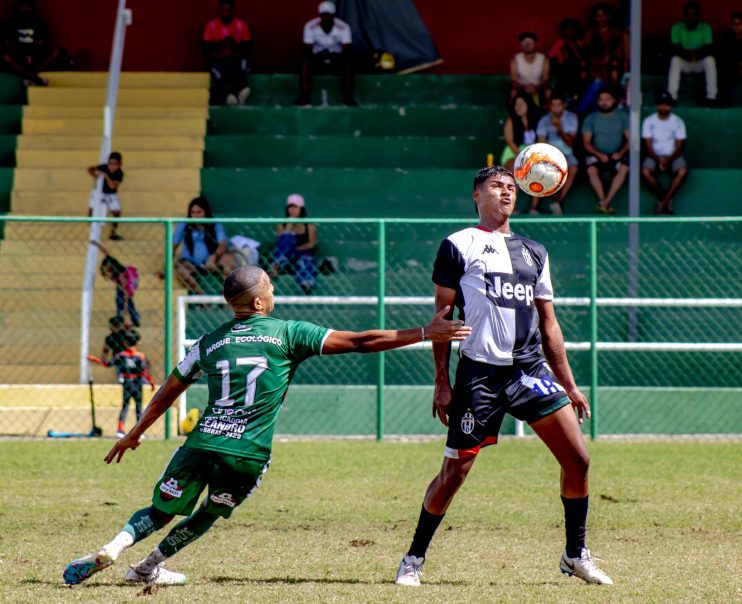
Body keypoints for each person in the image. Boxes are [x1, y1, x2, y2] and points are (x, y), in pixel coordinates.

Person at [62, 265, 471, 587]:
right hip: (248, 453)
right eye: (270, 287)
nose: (274, 291)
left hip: (201, 443)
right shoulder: (288, 333)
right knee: (209, 512)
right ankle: (150, 567)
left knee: (161, 509)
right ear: (258, 303)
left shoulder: (207, 342)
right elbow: (361, 341)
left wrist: (135, 433)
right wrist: (423, 331)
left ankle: (116, 546)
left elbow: (169, 389)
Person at [394, 165, 613, 588]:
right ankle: (413, 559)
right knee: (454, 474)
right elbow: (441, 319)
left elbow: (549, 323)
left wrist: (568, 383)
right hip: (479, 376)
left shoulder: (535, 251)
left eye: (511, 187)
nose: (505, 193)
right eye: (496, 187)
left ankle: (575, 554)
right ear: (477, 196)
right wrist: (442, 380)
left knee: (579, 460)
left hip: (530, 371)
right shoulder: (459, 243)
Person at [89, 329, 155, 438]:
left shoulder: (120, 355)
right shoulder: (141, 356)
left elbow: (107, 364)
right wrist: (151, 382)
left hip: (127, 382)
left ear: (124, 343)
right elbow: (144, 372)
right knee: (139, 407)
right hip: (137, 384)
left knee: (125, 406)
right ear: (137, 342)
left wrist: (94, 359)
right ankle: (140, 431)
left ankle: (120, 429)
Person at [172, 197, 238, 295]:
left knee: (229, 260)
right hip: (190, 263)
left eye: (199, 212)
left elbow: (222, 245)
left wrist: (213, 257)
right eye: (193, 212)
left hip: (212, 262)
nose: (195, 216)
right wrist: (165, 267)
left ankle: (225, 297)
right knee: (181, 268)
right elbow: (173, 246)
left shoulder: (215, 225)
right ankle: (201, 297)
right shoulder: (184, 224)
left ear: (205, 212)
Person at [296, 1, 357, 107]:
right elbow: (307, 50)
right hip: (317, 57)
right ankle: (305, 97)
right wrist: (320, 56)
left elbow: (347, 50)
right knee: (304, 62)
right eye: (324, 15)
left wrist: (334, 56)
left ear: (333, 16)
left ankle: (348, 98)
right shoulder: (310, 26)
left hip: (337, 58)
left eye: (329, 16)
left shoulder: (344, 27)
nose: (326, 18)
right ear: (320, 16)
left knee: (349, 62)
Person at [581, 87, 629, 214]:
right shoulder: (591, 118)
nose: (604, 102)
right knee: (591, 169)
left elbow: (631, 140)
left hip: (616, 155)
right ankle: (602, 200)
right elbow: (586, 143)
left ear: (614, 101)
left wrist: (620, 153)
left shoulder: (623, 116)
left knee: (624, 168)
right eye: (601, 99)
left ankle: (607, 200)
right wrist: (599, 154)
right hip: (597, 154)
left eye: (607, 99)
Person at [641, 91, 688, 215]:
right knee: (645, 172)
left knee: (682, 171)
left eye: (666, 104)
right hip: (653, 155)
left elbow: (679, 147)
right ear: (657, 105)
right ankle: (666, 200)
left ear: (671, 106)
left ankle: (663, 202)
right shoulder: (648, 121)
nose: (664, 107)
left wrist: (668, 160)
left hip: (673, 155)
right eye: (661, 104)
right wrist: (659, 159)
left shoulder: (678, 121)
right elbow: (648, 146)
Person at [579, 3, 628, 114]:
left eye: (603, 15)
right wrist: (595, 69)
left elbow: (622, 56)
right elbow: (588, 55)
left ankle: (580, 111)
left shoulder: (618, 32)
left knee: (598, 85)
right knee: (597, 84)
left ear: (609, 16)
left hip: (613, 71)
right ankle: (594, 114)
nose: (601, 18)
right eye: (598, 15)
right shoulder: (590, 33)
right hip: (595, 70)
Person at [0, 0, 63, 86]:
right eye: (24, 6)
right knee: (6, 58)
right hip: (17, 58)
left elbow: (42, 44)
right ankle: (34, 79)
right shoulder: (9, 22)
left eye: (29, 7)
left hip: (35, 59)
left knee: (57, 52)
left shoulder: (39, 22)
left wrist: (33, 55)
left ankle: (31, 77)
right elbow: (6, 44)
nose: (26, 9)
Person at [536, 91, 579, 214]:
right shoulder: (544, 120)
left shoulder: (572, 118)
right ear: (549, 106)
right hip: (550, 155)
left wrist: (559, 128)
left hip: (567, 154)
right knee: (546, 170)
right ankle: (557, 202)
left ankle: (559, 201)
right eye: (553, 105)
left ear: (564, 105)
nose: (556, 108)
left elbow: (570, 142)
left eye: (558, 105)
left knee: (574, 168)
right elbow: (541, 143)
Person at [202, 0, 253, 106]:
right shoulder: (211, 26)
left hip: (237, 59)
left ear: (233, 10)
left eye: (229, 10)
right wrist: (221, 45)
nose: (226, 13)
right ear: (220, 10)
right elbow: (205, 49)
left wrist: (234, 45)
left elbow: (248, 48)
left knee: (243, 66)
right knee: (219, 71)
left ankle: (237, 94)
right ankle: (231, 95)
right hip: (219, 60)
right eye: (224, 10)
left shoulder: (241, 25)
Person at [667, 1, 717, 106]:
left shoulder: (706, 28)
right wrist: (690, 55)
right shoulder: (677, 28)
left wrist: (695, 55)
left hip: (699, 62)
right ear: (684, 15)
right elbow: (675, 49)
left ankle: (711, 97)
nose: (691, 18)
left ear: (698, 16)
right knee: (675, 60)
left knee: (710, 60)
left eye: (693, 15)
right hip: (685, 61)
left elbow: (708, 49)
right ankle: (672, 97)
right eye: (688, 15)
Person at [500, 91, 541, 213]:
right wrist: (521, 156)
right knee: (515, 170)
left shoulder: (536, 121)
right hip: (514, 153)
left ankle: (534, 208)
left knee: (539, 171)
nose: (518, 107)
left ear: (528, 105)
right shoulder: (511, 121)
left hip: (532, 155)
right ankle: (511, 208)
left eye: (521, 104)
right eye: (516, 105)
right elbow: (509, 141)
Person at [270, 194, 317, 295]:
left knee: (305, 259)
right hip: (286, 256)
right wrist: (289, 224)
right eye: (290, 207)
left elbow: (311, 244)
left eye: (295, 207)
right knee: (287, 237)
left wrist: (296, 249)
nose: (292, 210)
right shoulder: (281, 225)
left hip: (302, 253)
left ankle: (306, 284)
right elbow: (281, 242)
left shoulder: (309, 225)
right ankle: (276, 267)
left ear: (301, 209)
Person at [92, 241, 140, 328]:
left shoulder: (121, 277)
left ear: (110, 268)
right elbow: (106, 252)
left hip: (129, 281)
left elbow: (126, 293)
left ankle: (134, 318)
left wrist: (124, 308)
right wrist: (97, 244)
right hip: (123, 282)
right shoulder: (113, 263)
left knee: (127, 301)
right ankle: (120, 316)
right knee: (119, 299)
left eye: (106, 271)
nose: (105, 273)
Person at [547, 18, 590, 110]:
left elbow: (585, 60)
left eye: (571, 29)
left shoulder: (581, 43)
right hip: (564, 73)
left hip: (579, 74)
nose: (569, 31)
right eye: (566, 29)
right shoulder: (560, 42)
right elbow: (551, 57)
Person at [87, 152, 124, 240]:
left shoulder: (120, 174)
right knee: (93, 206)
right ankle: (91, 223)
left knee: (117, 212)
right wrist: (96, 175)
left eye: (115, 164)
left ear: (120, 164)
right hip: (99, 191)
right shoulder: (103, 167)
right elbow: (90, 169)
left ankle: (113, 233)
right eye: (110, 163)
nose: (111, 166)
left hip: (111, 193)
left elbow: (112, 186)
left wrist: (106, 176)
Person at [509, 32, 550, 106]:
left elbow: (546, 80)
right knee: (513, 92)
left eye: (530, 43)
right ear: (521, 45)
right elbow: (513, 82)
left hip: (538, 88)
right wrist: (525, 87)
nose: (527, 45)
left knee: (548, 92)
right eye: (525, 43)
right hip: (521, 88)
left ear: (534, 44)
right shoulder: (515, 59)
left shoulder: (543, 59)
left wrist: (536, 88)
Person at [717, 12, 742, 107]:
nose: (737, 26)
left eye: (739, 23)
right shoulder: (727, 36)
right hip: (733, 66)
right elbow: (725, 55)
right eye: (734, 24)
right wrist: (738, 64)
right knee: (725, 70)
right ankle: (725, 102)